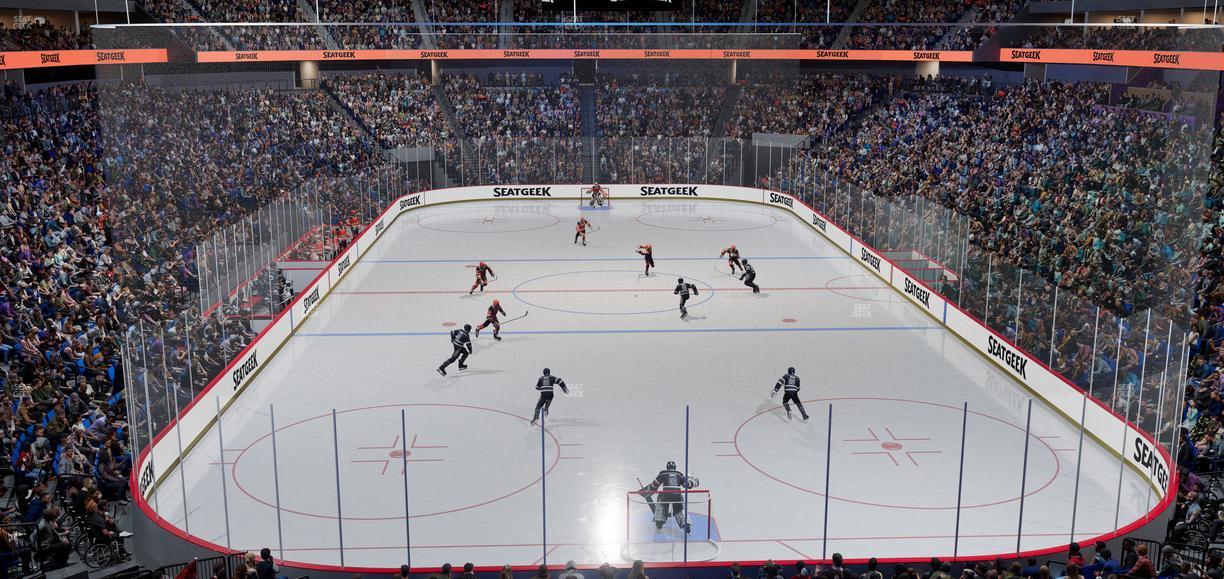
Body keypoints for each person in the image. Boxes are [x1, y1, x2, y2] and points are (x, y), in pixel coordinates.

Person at [639, 460, 698, 532]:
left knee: (661, 498)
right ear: (675, 468)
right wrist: (693, 483)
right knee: (680, 507)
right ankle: (686, 524)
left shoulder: (662, 474)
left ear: (667, 467)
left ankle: (659, 520)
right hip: (677, 496)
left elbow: (654, 486)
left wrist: (645, 491)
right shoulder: (679, 475)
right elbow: (687, 485)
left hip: (666, 495)